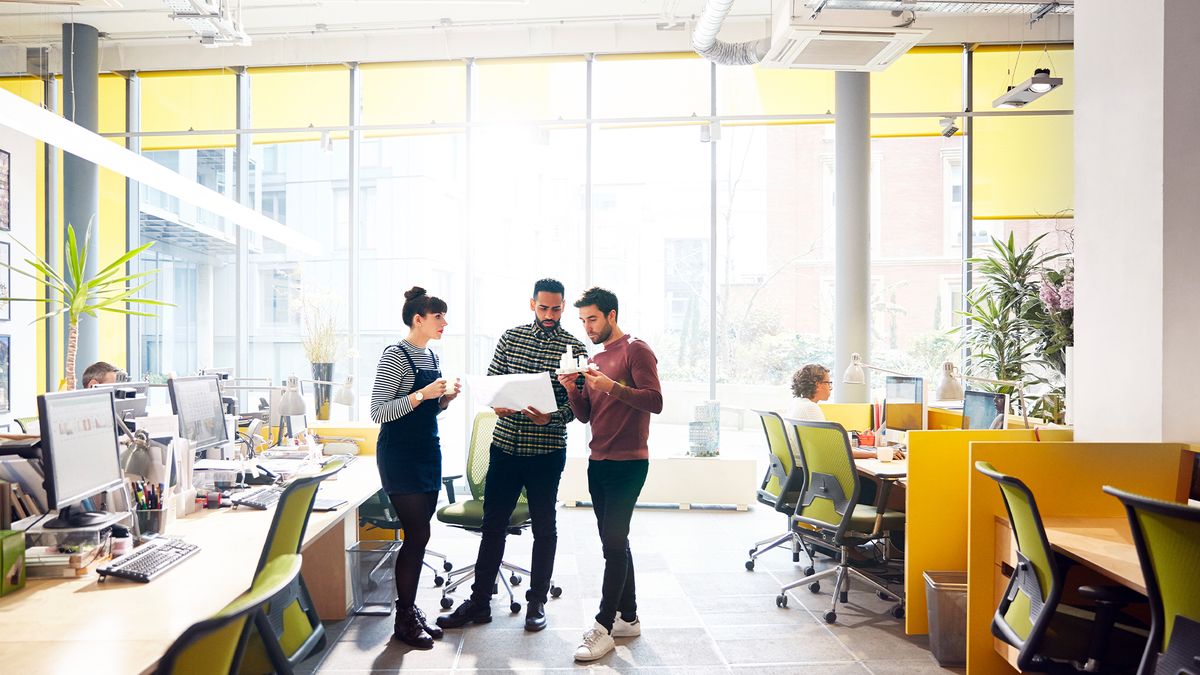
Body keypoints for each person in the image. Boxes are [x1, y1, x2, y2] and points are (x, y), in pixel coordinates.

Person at [437, 278, 588, 633]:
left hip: (546, 452)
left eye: (556, 308)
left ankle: (537, 602)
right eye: (543, 308)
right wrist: (498, 404)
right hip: (505, 446)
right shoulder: (511, 338)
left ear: (564, 306)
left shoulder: (574, 347)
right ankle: (479, 603)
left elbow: (580, 407)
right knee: (493, 525)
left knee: (544, 527)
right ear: (532, 304)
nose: (549, 315)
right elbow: (493, 384)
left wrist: (552, 416)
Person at [558, 287, 662, 662]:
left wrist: (611, 386)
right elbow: (587, 415)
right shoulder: (596, 357)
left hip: (629, 463)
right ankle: (628, 618)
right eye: (582, 320)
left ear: (612, 315)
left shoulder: (637, 349)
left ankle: (602, 627)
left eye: (593, 319)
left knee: (614, 545)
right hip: (598, 461)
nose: (587, 327)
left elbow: (655, 400)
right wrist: (574, 390)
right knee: (613, 542)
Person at [369, 286, 461, 649]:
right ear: (418, 319)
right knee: (417, 535)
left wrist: (443, 400)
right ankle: (404, 618)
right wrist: (424, 393)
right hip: (400, 456)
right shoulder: (395, 356)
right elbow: (379, 412)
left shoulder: (431, 357)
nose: (444, 323)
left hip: (428, 451)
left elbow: (426, 410)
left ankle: (409, 610)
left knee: (420, 536)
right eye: (438, 317)